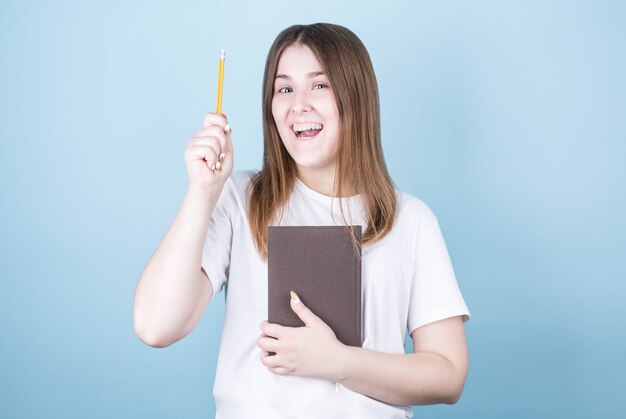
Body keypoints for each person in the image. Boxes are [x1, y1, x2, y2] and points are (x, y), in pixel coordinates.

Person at [133, 23, 471, 418]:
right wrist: (202, 191)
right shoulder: (241, 201)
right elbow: (156, 326)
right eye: (285, 88)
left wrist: (338, 362)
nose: (299, 105)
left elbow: (448, 375)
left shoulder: (410, 220)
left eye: (320, 86)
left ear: (357, 97)